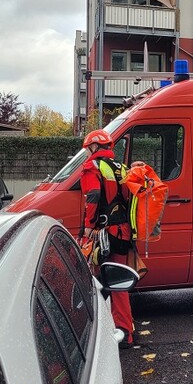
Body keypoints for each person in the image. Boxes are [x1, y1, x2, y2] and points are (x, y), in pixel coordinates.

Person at [80, 129, 135, 349]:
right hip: (122, 231)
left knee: (96, 281)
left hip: (104, 233)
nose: (86, 153)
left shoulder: (92, 167)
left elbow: (92, 197)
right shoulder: (121, 167)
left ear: (93, 147)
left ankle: (106, 333)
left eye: (87, 149)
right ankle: (125, 329)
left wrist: (87, 226)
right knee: (118, 280)